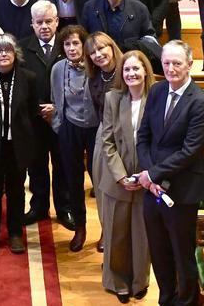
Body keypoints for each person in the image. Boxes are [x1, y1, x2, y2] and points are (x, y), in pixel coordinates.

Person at [134, 40, 204, 306]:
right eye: (166, 63)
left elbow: (190, 151)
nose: (170, 68)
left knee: (182, 254)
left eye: (177, 63)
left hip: (180, 191)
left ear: (189, 64)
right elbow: (143, 136)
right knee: (159, 251)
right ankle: (166, 298)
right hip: (153, 189)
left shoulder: (200, 102)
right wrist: (148, 175)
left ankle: (187, 302)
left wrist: (152, 175)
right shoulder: (156, 91)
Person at [97, 49, 154, 303]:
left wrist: (146, 175)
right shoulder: (112, 98)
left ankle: (139, 281)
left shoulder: (156, 97)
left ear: (145, 71)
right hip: (116, 178)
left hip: (146, 178)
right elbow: (107, 141)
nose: (131, 73)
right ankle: (117, 281)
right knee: (116, 233)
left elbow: (159, 140)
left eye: (136, 68)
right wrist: (121, 176)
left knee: (142, 234)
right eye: (127, 69)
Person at [0, 33, 39, 255]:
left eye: (8, 50)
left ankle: (14, 233)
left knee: (16, 192)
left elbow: (33, 113)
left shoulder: (28, 78)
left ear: (15, 53)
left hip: (18, 145)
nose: (3, 54)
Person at [48, 25, 105, 252]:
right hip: (69, 129)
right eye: (67, 44)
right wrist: (58, 126)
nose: (71, 48)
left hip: (95, 130)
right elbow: (55, 101)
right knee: (73, 181)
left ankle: (105, 230)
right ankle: (80, 228)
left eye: (75, 43)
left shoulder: (96, 68)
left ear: (85, 45)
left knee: (99, 181)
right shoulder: (58, 69)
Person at [20, 0, 72, 228]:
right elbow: (21, 85)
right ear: (32, 24)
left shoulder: (69, 47)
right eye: (39, 22)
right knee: (37, 165)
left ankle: (64, 208)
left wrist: (56, 108)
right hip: (34, 119)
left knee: (63, 164)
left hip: (63, 118)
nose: (44, 27)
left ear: (57, 21)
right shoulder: (22, 49)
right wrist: (39, 108)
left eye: (49, 21)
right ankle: (38, 206)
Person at [86, 32, 124, 253]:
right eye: (92, 52)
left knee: (120, 191)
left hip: (127, 136)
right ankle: (106, 231)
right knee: (101, 188)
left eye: (102, 48)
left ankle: (120, 238)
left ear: (112, 46)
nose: (98, 55)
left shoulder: (127, 68)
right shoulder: (94, 76)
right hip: (104, 133)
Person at [80, 0, 158, 56]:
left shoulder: (139, 9)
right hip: (99, 64)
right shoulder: (90, 8)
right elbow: (83, 40)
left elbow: (149, 41)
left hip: (129, 64)